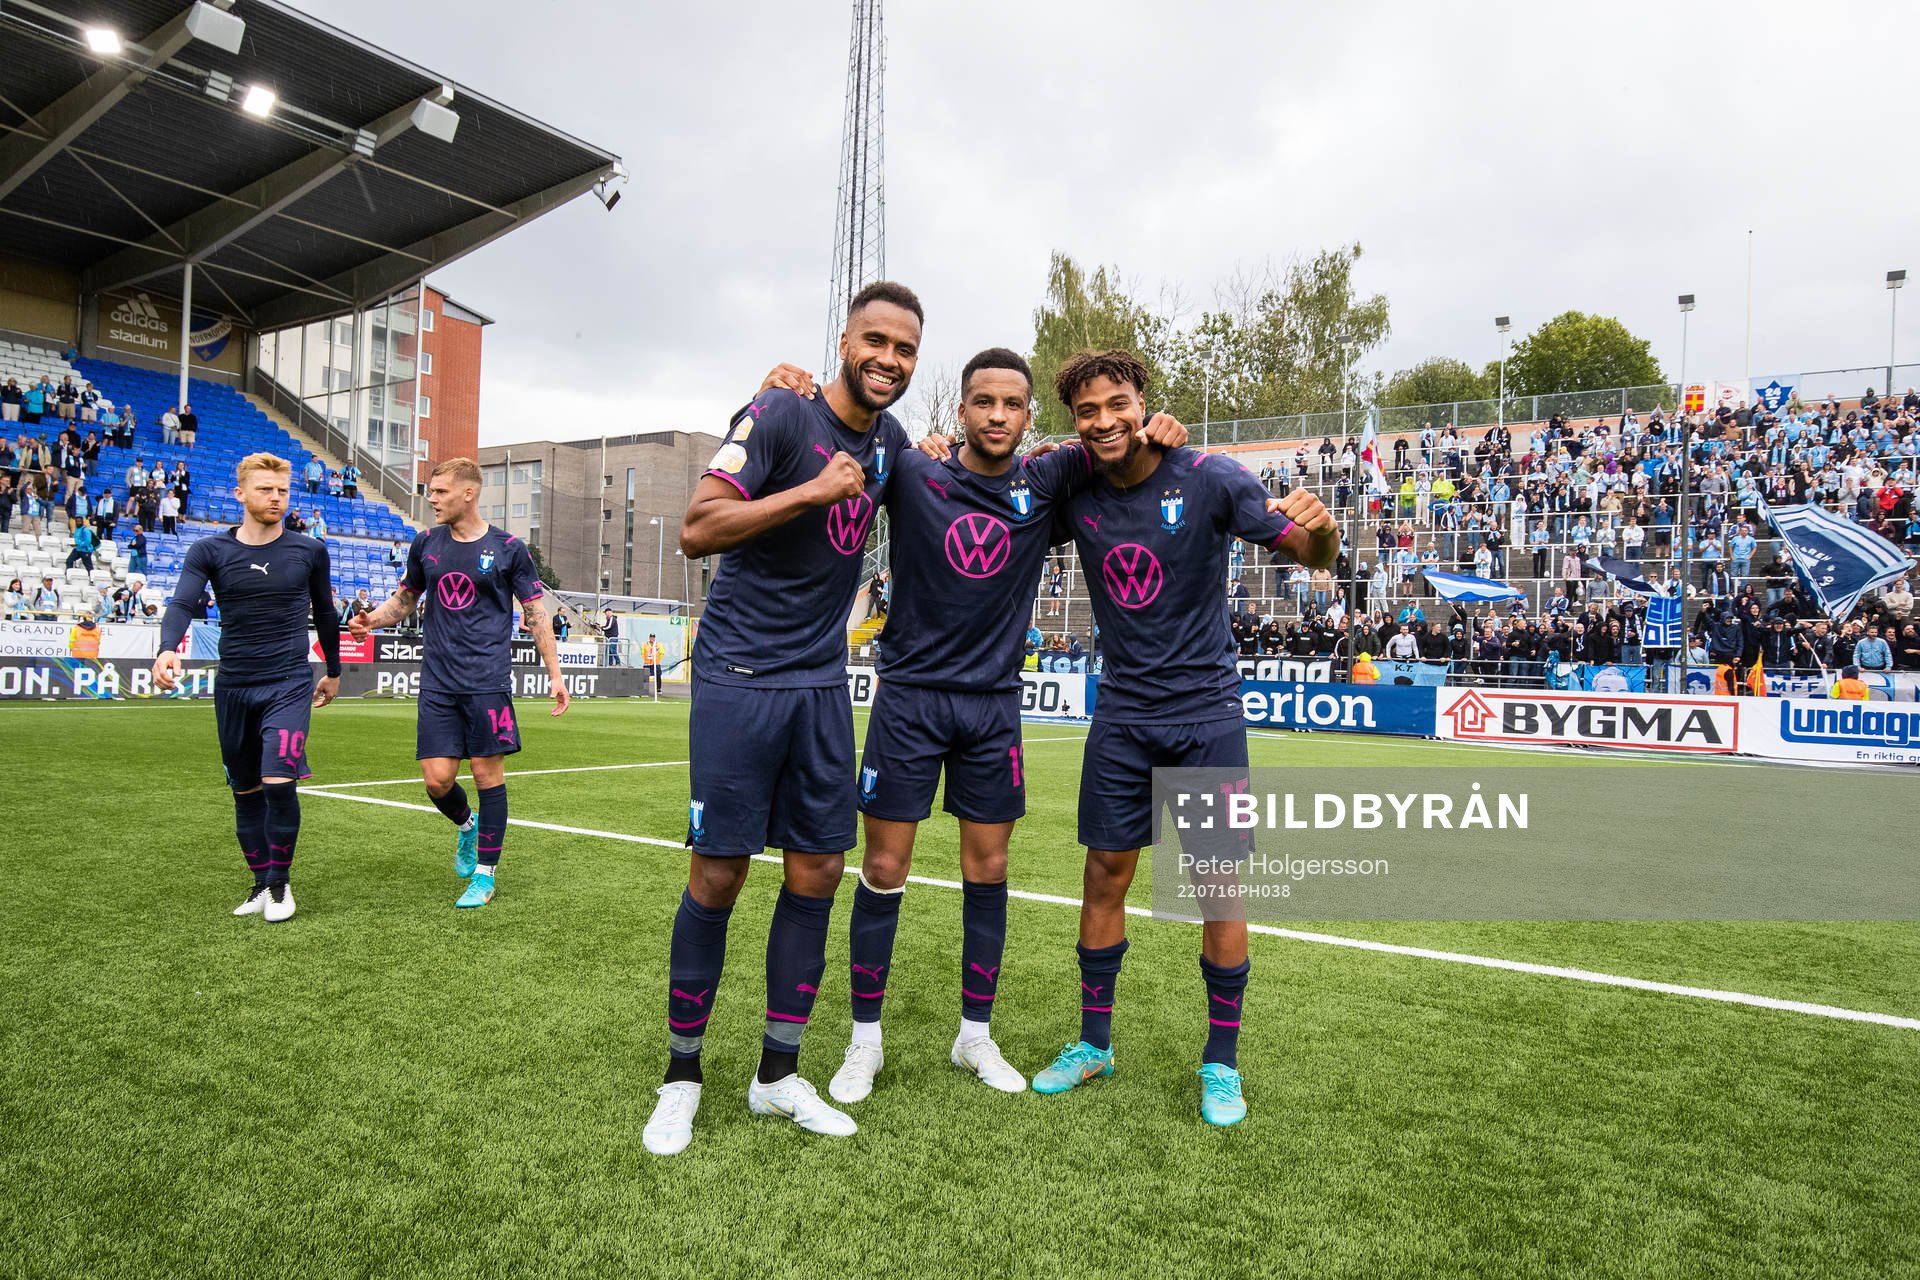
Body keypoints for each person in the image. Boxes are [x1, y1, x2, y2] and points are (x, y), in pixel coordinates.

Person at [751, 348, 1191, 1109]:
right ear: (960, 411)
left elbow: (1122, 447)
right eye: (982, 401)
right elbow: (836, 443)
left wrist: (1160, 429)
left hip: (993, 707)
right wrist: (781, 394)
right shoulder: (914, 469)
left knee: (987, 871)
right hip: (910, 701)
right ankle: (865, 1041)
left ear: (1029, 416)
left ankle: (974, 1035)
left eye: (1012, 404)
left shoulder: (1049, 478)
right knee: (885, 871)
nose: (996, 415)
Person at [641, 280, 918, 1157]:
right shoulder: (783, 412)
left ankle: (776, 1076)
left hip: (820, 687)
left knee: (817, 875)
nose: (888, 359)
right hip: (737, 677)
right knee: (718, 877)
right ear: (844, 339)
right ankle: (682, 1076)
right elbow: (697, 526)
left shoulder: (894, 444)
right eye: (875, 340)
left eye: (905, 350)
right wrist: (810, 493)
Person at [1030, 349, 1337, 1128]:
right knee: (1106, 876)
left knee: (1216, 891)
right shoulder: (1073, 485)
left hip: (1206, 716)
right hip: (1123, 718)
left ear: (1143, 404)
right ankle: (1093, 1043)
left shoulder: (1211, 477)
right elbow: (1002, 475)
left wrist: (1325, 534)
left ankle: (1221, 1065)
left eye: (1119, 404)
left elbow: (1310, 557)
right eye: (1088, 411)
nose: (1104, 421)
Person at [349, 458, 570, 909]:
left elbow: (536, 613)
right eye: (430, 492)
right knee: (436, 781)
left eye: (440, 492)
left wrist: (555, 675)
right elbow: (405, 599)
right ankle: (468, 827)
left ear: (468, 494)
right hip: (437, 683)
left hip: (486, 682)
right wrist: (371, 621)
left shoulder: (509, 548)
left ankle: (485, 877)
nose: (431, 499)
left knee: (488, 775)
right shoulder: (425, 543)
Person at [154, 453, 341, 923]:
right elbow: (182, 601)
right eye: (265, 489)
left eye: (282, 490)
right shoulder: (209, 551)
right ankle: (259, 882)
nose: (276, 497)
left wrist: (333, 670)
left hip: (288, 683)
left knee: (279, 781)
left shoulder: (309, 550)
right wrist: (166, 647)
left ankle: (280, 887)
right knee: (245, 790)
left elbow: (325, 613)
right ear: (240, 494)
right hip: (235, 685)